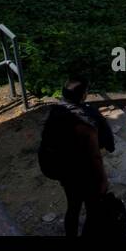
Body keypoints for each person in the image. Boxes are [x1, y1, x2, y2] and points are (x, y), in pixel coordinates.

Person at [39, 76, 114, 237]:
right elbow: (96, 156)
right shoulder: (88, 119)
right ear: (83, 95)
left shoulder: (57, 111)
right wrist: (103, 180)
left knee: (73, 207)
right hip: (84, 171)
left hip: (64, 170)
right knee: (92, 210)